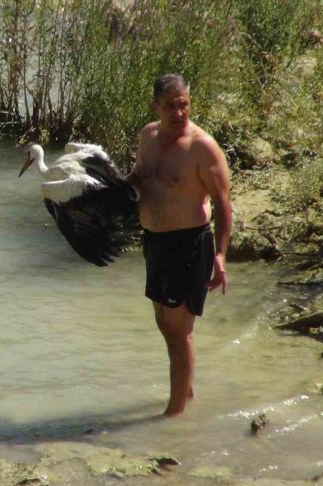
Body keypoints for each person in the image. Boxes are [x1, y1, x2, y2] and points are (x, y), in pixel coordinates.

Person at [127, 73, 232, 417]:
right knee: (165, 325)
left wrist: (220, 254)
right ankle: (186, 396)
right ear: (155, 106)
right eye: (171, 106)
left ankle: (173, 419)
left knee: (178, 331)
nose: (179, 113)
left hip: (188, 244)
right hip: (155, 243)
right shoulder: (148, 136)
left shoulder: (202, 147)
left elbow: (222, 203)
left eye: (184, 104)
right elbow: (139, 179)